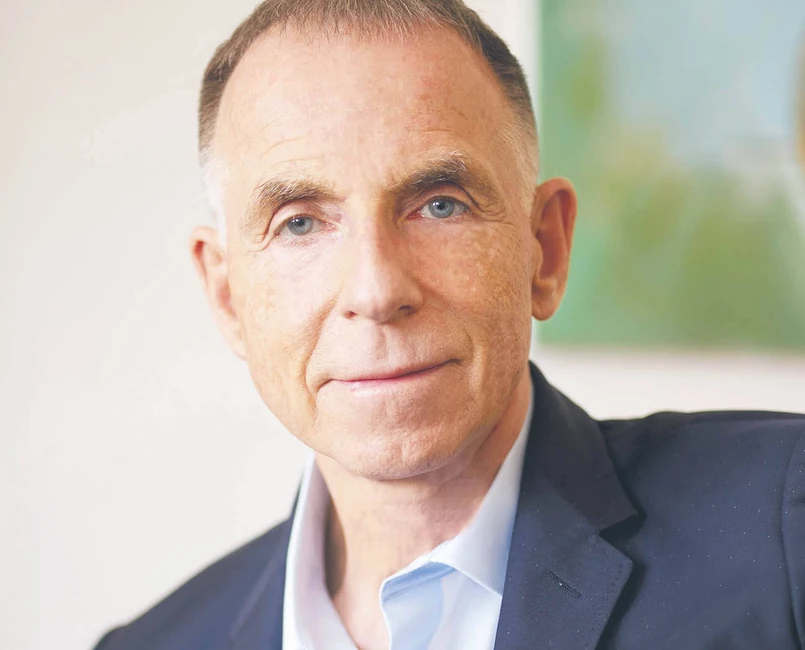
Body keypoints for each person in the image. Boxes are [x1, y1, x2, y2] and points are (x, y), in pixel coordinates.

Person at [94, 1, 805, 648]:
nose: (376, 291)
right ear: (226, 296)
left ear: (545, 250)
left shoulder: (784, 532)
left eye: (439, 204)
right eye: (299, 223)